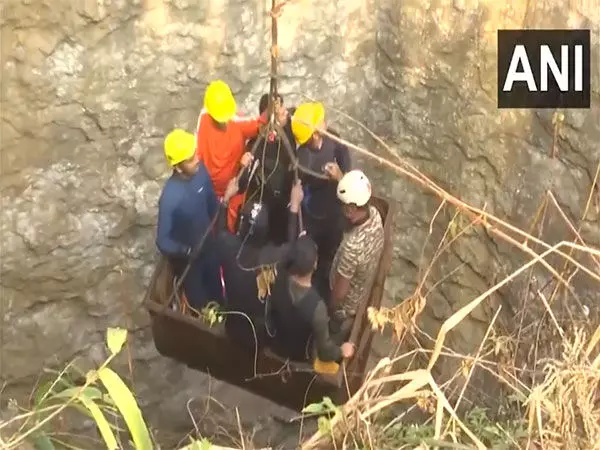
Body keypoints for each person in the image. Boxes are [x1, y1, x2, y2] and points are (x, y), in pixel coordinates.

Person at [217, 176, 305, 349]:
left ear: (241, 227)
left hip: (233, 322)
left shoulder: (228, 246)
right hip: (260, 331)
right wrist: (294, 207)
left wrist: (226, 199)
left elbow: (221, 230)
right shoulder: (273, 256)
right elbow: (292, 246)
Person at [290, 101, 351, 301]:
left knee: (331, 254)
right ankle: (313, 289)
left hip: (334, 214)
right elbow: (297, 187)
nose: (325, 121)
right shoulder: (303, 159)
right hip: (313, 217)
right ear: (314, 134)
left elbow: (348, 176)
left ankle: (327, 278)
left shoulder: (336, 142)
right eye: (320, 120)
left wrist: (340, 176)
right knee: (313, 257)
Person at [156, 129, 223, 309]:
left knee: (218, 291)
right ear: (177, 167)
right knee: (200, 303)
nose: (197, 160)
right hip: (190, 262)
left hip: (209, 246)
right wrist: (185, 251)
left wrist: (219, 231)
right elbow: (162, 240)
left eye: (195, 154)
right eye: (191, 159)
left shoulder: (201, 173)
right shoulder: (170, 197)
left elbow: (212, 202)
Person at [195, 79, 268, 232]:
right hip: (232, 187)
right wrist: (270, 112)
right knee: (231, 222)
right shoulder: (235, 123)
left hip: (210, 188)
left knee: (215, 222)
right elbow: (258, 124)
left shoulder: (203, 118)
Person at [269, 235, 355, 363]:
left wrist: (301, 247)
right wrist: (342, 350)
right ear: (315, 265)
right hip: (299, 356)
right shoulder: (317, 308)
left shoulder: (277, 276)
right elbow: (325, 352)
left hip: (275, 343)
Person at [323, 165, 385, 342]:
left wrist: (329, 308)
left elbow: (340, 293)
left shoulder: (352, 247)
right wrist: (341, 179)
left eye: (344, 207)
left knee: (329, 335)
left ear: (351, 210)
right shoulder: (374, 215)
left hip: (345, 308)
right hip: (361, 288)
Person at [243, 93, 297, 244]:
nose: (284, 112)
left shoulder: (290, 129)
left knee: (280, 230)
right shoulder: (256, 142)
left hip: (284, 195)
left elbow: (292, 151)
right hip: (265, 196)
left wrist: (285, 125)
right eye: (279, 111)